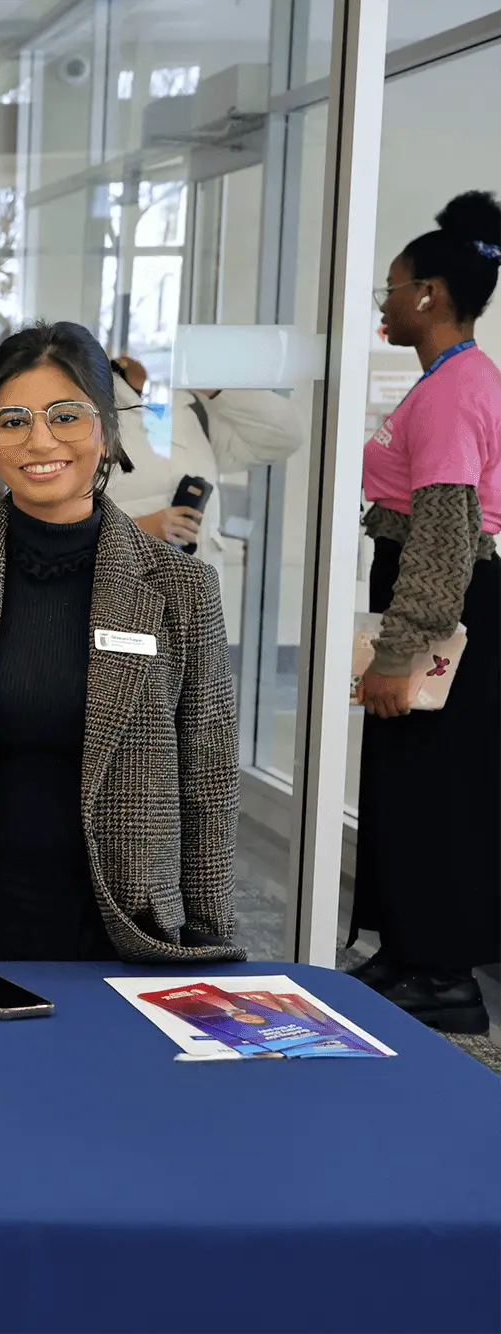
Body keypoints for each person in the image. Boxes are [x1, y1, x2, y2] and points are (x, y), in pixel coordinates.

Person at [0, 320, 243, 964]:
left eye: (66, 415)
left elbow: (207, 777)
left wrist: (206, 920)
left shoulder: (181, 588)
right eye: (11, 421)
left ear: (107, 432)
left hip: (128, 924)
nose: (39, 440)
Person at [348, 191, 501, 1033]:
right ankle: (408, 952)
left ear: (432, 295)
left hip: (445, 599)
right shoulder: (454, 380)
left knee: (437, 789)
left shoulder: (451, 393)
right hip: (439, 592)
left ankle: (441, 975)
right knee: (411, 784)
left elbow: (447, 536)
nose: (386, 299)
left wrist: (401, 653)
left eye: (394, 285)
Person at [105, 355, 305, 549]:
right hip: (126, 577)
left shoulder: (193, 409)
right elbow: (77, 527)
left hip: (196, 578)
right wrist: (142, 527)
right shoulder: (94, 411)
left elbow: (285, 435)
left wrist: (215, 386)